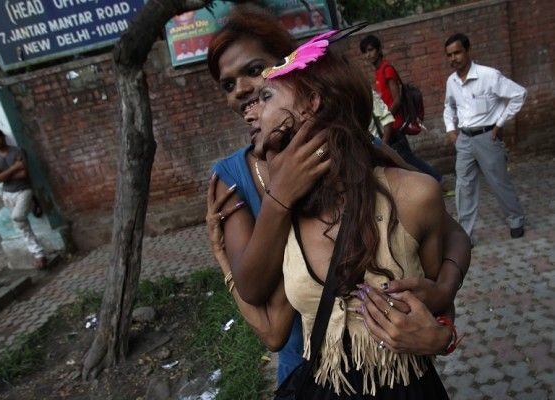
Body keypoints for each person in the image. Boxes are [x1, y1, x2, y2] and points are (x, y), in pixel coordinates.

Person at [206, 6, 470, 384]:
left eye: (253, 71)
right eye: (228, 84)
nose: (243, 91)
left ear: (289, 67)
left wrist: (443, 297)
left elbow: (449, 231)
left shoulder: (359, 150)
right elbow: (267, 317)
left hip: (395, 370)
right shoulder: (229, 179)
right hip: (306, 373)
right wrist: (280, 198)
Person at [443, 33, 526, 242]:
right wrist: (450, 129)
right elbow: (448, 106)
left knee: (499, 181)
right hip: (464, 140)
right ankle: (465, 235)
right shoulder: (451, 81)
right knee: (463, 186)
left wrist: (500, 122)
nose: (454, 58)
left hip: (487, 137)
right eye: (449, 55)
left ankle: (516, 219)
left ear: (468, 51)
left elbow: (519, 94)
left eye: (457, 52)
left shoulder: (489, 76)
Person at [359, 35, 441, 182]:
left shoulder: (386, 69)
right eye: (365, 52)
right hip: (390, 125)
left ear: (378, 50)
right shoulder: (378, 71)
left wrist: (386, 118)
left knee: (408, 160)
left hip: (394, 124)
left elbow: (397, 99)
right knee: (405, 160)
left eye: (371, 50)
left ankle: (436, 180)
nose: (368, 55)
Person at [0, 127, 46, 269]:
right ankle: (39, 255)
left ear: (3, 137)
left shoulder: (17, 151)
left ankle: (31, 205)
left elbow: (23, 174)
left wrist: (4, 175)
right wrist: (14, 168)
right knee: (23, 227)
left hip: (23, 190)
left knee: (17, 217)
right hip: (7, 194)